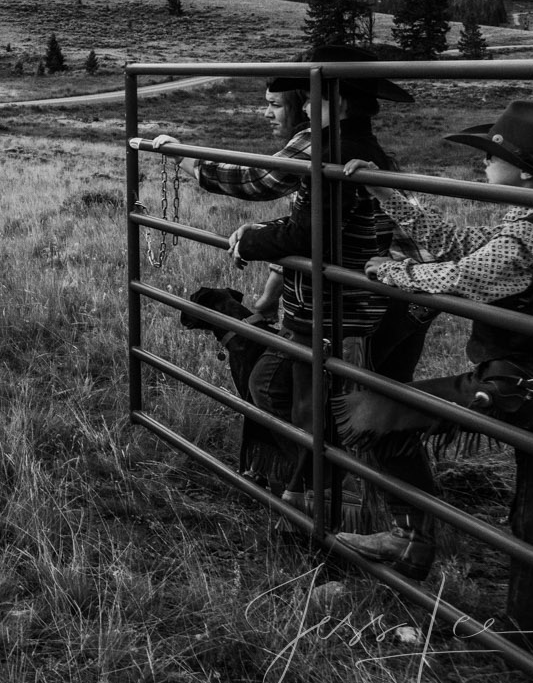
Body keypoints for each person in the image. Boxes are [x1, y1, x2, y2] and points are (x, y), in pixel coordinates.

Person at [334, 99, 533, 646]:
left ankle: (411, 539)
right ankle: (528, 632)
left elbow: (461, 275)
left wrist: (394, 270)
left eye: (491, 155)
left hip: (521, 384)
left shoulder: (527, 229)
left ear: (523, 170)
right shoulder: (532, 215)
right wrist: (388, 193)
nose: (483, 164)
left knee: (373, 414)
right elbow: (459, 245)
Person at [158, 44, 427, 542]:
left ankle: (337, 513)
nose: (303, 106)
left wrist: (191, 164)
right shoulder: (349, 147)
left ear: (337, 99)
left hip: (340, 311)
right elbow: (314, 220)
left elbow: (282, 204)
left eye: (312, 95)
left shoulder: (336, 148)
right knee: (315, 399)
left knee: (332, 409)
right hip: (348, 306)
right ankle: (322, 499)